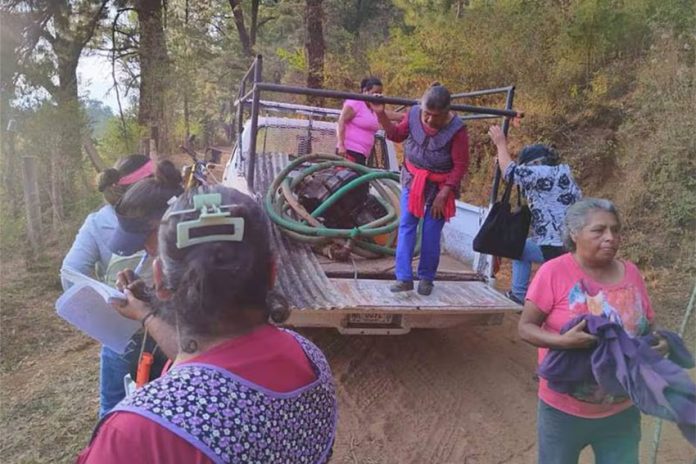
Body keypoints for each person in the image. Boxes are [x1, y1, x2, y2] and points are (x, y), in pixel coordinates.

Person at [77, 185, 338, 464]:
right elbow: (211, 365)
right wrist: (147, 313)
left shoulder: (136, 435)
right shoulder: (311, 359)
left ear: (160, 280)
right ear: (272, 274)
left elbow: (203, 370)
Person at [518, 198, 670, 464]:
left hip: (622, 411)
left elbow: (647, 325)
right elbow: (526, 327)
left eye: (615, 229)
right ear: (575, 234)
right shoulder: (553, 272)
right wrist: (563, 341)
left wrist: (659, 343)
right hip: (563, 412)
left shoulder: (631, 273)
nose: (610, 237)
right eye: (599, 230)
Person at [60, 154, 154, 418]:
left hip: (119, 336)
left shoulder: (96, 222)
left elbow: (70, 274)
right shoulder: (165, 216)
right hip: (166, 330)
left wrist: (103, 313)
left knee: (112, 408)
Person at [95, 160, 184, 418]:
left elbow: (194, 355)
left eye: (145, 241)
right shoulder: (176, 263)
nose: (145, 251)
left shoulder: (200, 270)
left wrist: (145, 315)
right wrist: (148, 297)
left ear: (166, 225)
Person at [373, 83, 469, 296]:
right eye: (426, 114)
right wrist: (381, 115)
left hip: (441, 186)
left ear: (446, 112)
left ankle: (426, 277)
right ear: (421, 108)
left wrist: (445, 194)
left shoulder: (457, 130)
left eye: (436, 116)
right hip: (413, 179)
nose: (429, 120)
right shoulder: (414, 113)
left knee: (431, 232)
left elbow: (460, 165)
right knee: (407, 225)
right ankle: (404, 278)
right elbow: (396, 135)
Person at [488, 125, 582, 305]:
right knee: (525, 247)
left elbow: (511, 173)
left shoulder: (542, 172)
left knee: (518, 249)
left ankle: (519, 295)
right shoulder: (561, 172)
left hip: (555, 244)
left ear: (534, 164)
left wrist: (501, 144)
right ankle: (523, 293)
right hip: (572, 241)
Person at [336, 77, 401, 165]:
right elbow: (341, 121)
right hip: (349, 151)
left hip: (362, 154)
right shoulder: (356, 103)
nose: (377, 96)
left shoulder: (373, 108)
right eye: (374, 93)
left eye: (380, 93)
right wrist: (341, 145)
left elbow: (390, 115)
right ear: (365, 91)